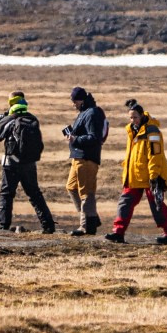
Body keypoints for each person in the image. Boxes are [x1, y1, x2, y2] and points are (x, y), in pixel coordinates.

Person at [106, 99, 167, 244]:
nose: (133, 120)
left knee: (157, 204)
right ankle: (118, 232)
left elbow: (155, 156)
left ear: (142, 115)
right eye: (131, 118)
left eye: (135, 117)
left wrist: (154, 176)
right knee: (124, 203)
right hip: (135, 175)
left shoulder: (152, 131)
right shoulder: (132, 130)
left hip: (152, 176)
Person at [0, 91, 56, 233]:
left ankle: (3, 226)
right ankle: (48, 225)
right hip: (30, 164)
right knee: (34, 194)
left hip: (11, 163)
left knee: (6, 194)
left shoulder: (10, 118)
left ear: (11, 103)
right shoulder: (32, 118)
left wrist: (3, 119)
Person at [64, 86, 108, 236]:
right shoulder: (85, 113)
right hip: (78, 157)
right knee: (71, 187)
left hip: (87, 158)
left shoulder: (92, 113)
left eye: (74, 101)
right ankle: (92, 218)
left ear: (81, 100)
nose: (73, 104)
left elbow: (94, 137)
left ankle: (86, 226)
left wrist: (75, 139)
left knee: (86, 193)